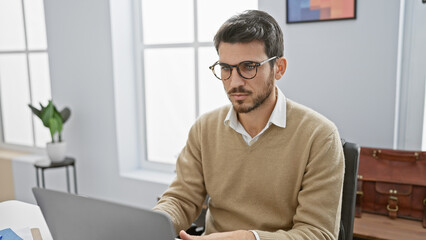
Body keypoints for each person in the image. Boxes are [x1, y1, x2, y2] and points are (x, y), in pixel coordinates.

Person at [154, 10, 344, 240]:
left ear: (279, 68)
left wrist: (249, 238)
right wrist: (154, 224)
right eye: (226, 68)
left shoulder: (320, 136)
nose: (234, 82)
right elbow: (181, 198)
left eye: (248, 66)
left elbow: (318, 234)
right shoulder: (205, 128)